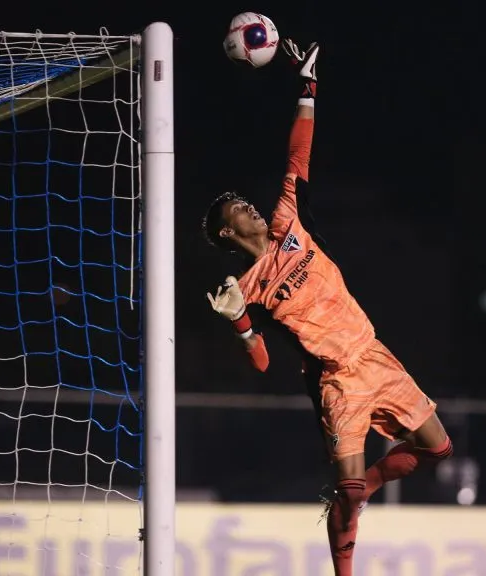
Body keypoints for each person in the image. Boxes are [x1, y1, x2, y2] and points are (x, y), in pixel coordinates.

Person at [202, 40, 453, 576]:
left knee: (439, 449)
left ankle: (361, 492)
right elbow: (263, 363)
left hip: (373, 352)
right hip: (337, 380)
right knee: (348, 489)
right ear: (229, 232)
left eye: (246, 200)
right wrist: (240, 325)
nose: (249, 205)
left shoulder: (289, 221)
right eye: (237, 209)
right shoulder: (247, 285)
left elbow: (298, 154)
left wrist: (308, 86)